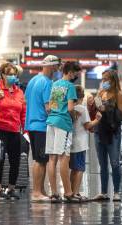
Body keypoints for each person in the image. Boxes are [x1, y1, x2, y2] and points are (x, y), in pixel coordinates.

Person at [24, 55, 60, 202]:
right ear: (51, 66)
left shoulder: (33, 80)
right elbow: (48, 108)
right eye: (56, 66)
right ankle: (37, 192)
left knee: (40, 159)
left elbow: (27, 100)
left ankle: (41, 190)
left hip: (31, 125)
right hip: (41, 126)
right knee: (40, 160)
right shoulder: (48, 83)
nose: (57, 69)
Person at [45, 61, 80, 203]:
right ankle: (68, 192)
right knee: (64, 157)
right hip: (63, 124)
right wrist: (74, 116)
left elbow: (50, 107)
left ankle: (54, 193)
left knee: (51, 159)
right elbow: (71, 108)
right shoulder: (70, 86)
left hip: (51, 121)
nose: (75, 76)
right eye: (75, 73)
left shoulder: (55, 84)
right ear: (70, 72)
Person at [0, 62, 26, 200]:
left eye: (14, 74)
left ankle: (11, 188)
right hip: (0, 129)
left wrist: (24, 128)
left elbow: (23, 111)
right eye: (9, 74)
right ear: (3, 75)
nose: (12, 77)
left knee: (15, 161)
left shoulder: (19, 92)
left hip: (15, 130)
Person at [92, 69, 122, 202]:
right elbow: (96, 110)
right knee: (103, 164)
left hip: (113, 132)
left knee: (115, 163)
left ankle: (116, 191)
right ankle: (104, 191)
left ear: (113, 80)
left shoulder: (119, 94)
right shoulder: (101, 92)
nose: (104, 82)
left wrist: (109, 109)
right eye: (103, 79)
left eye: (106, 79)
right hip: (99, 131)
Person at [70, 85, 101, 201]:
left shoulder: (70, 108)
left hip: (72, 142)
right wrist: (97, 120)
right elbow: (88, 125)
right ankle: (76, 193)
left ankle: (71, 192)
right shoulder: (82, 109)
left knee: (73, 169)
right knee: (80, 169)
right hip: (80, 143)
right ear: (82, 96)